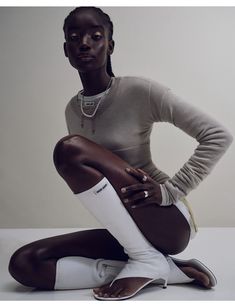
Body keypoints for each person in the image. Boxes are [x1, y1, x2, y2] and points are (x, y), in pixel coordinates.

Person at [8, 6, 233, 301]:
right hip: (127, 230)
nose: (84, 43)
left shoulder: (139, 91)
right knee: (25, 264)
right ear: (66, 50)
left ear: (110, 45)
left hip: (166, 221)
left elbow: (218, 135)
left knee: (69, 149)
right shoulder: (72, 110)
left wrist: (172, 190)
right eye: (74, 37)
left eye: (95, 36)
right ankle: (169, 270)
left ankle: (145, 259)